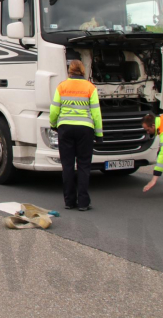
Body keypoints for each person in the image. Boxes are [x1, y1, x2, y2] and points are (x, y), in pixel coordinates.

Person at [50, 60, 103, 211]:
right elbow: (96, 113)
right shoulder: (90, 87)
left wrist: (54, 124)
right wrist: (99, 133)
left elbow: (54, 110)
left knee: (67, 166)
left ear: (70, 71)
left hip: (65, 128)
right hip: (85, 129)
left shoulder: (62, 86)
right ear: (83, 71)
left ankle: (69, 201)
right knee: (84, 166)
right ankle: (84, 203)